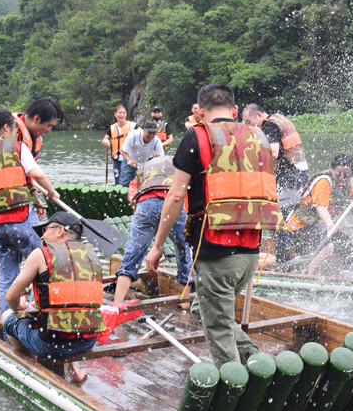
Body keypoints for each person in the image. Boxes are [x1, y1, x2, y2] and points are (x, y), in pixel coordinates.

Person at [145, 84, 283, 366]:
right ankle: (253, 361)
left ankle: (236, 395)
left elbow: (174, 197)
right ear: (234, 111)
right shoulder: (258, 136)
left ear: (201, 112)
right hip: (250, 254)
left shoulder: (197, 135)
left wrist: (157, 246)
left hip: (215, 251)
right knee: (203, 310)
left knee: (218, 331)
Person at [0, 212, 105, 383]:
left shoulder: (40, 254)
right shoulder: (93, 255)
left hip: (50, 345)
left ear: (60, 231)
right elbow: (78, 297)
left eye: (46, 229)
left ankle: (31, 366)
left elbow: (10, 296)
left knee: (8, 316)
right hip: (88, 341)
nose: (42, 235)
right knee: (73, 319)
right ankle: (75, 367)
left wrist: (19, 306)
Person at [0, 109, 59, 314]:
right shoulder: (18, 147)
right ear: (6, 127)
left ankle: (8, 326)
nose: (15, 133)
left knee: (6, 279)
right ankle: (36, 317)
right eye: (14, 129)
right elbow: (37, 173)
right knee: (41, 267)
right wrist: (51, 191)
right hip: (21, 220)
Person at [112, 156, 192, 304]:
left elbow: (133, 197)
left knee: (132, 252)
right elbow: (185, 192)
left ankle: (117, 303)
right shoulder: (177, 164)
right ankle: (185, 300)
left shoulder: (144, 169)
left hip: (146, 204)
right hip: (174, 203)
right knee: (183, 248)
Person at [242, 103, 309, 264]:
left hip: (289, 176)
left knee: (277, 217)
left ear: (258, 115)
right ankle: (302, 252)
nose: (249, 127)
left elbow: (273, 152)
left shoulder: (269, 125)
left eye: (249, 122)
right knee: (293, 215)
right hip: (300, 172)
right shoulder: (280, 119)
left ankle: (283, 260)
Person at [286, 154, 353, 274]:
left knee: (344, 243)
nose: (341, 177)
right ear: (332, 169)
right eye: (338, 173)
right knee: (329, 245)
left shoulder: (346, 182)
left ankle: (334, 275)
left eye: (346, 174)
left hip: (318, 225)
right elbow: (320, 206)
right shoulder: (324, 181)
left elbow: (350, 194)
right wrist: (329, 224)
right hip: (300, 226)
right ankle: (310, 275)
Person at [120, 121, 164, 187]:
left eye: (154, 133)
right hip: (130, 161)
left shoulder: (157, 141)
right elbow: (123, 151)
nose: (151, 135)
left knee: (144, 185)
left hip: (146, 164)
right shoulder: (133, 135)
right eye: (149, 132)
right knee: (124, 183)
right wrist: (130, 161)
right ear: (143, 130)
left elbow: (161, 159)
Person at [101, 105, 136, 186]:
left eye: (124, 113)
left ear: (126, 114)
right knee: (118, 182)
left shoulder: (133, 126)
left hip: (128, 158)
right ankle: (118, 196)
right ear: (115, 114)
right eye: (119, 113)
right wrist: (106, 142)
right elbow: (104, 140)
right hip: (117, 159)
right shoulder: (112, 128)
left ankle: (128, 196)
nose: (122, 115)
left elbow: (142, 135)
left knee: (125, 182)